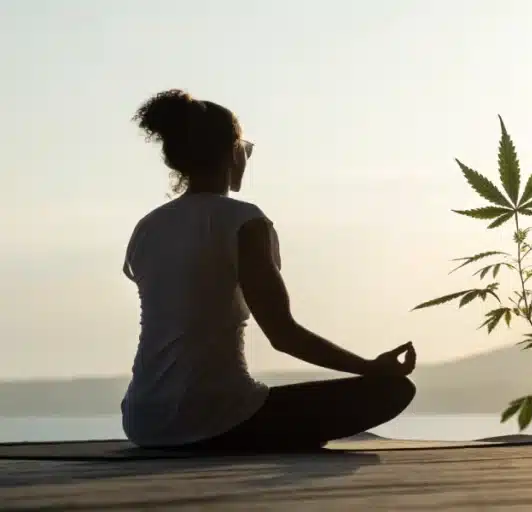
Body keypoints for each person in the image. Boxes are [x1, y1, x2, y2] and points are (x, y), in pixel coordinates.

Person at [121, 89, 416, 451]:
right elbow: (283, 334)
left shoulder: (147, 227)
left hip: (142, 420)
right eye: (245, 148)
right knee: (393, 391)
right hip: (218, 418)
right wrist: (370, 367)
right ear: (232, 152)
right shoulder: (243, 221)